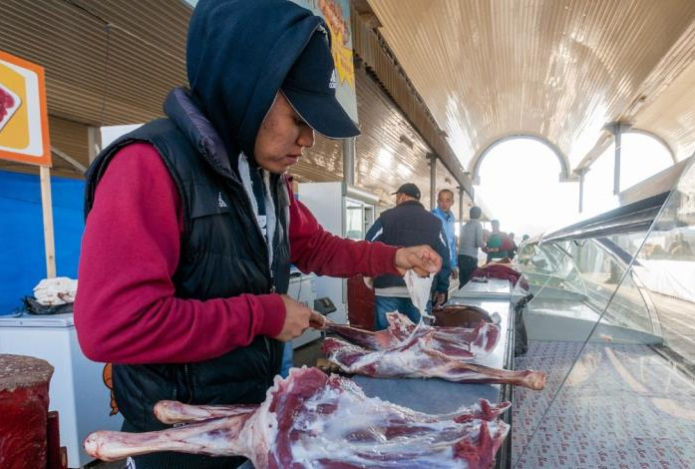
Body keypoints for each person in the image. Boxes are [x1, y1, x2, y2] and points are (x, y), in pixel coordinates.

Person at [73, 1, 442, 467]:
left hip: (249, 419)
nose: (308, 141)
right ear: (245, 89)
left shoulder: (267, 179)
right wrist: (263, 315)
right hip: (179, 436)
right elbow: (114, 327)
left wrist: (393, 258)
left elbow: (313, 245)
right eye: (299, 119)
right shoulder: (149, 166)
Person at [366, 183, 450, 330]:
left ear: (402, 196)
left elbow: (368, 245)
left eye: (397, 197)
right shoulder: (435, 223)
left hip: (388, 289)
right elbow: (444, 256)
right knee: (419, 342)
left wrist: (369, 275)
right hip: (421, 291)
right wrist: (442, 288)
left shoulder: (386, 218)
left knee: (387, 341)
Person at [431, 189, 458, 281]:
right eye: (441, 200)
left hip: (447, 265)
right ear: (438, 201)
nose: (444, 204)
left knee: (443, 292)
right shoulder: (432, 217)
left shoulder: (451, 219)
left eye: (447, 200)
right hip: (434, 263)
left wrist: (453, 265)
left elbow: (452, 243)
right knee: (435, 292)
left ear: (452, 202)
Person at [458, 206, 486, 288]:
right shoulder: (477, 224)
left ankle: (460, 299)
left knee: (462, 282)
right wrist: (486, 246)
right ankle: (465, 300)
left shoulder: (465, 225)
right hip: (470, 258)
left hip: (461, 256)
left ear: (470, 214)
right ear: (479, 215)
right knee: (469, 283)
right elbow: (479, 242)